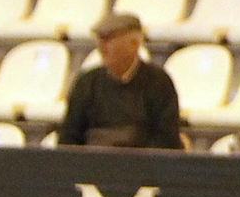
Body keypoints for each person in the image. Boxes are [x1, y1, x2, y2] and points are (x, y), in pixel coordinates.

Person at [57, 14, 183, 149]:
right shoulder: (87, 82)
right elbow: (69, 137)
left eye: (109, 39)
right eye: (100, 39)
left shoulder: (159, 82)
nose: (101, 47)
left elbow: (167, 139)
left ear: (134, 44)